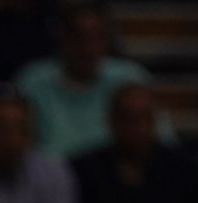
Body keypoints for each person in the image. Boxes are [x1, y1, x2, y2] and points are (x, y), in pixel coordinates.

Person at [13, 2, 168, 158]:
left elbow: (163, 140)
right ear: (62, 38)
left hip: (117, 171)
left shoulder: (130, 77)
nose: (88, 48)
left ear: (107, 41)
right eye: (79, 37)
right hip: (52, 172)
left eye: (96, 38)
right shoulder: (33, 81)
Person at [71, 83, 198, 203]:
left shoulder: (188, 170)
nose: (137, 127)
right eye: (127, 118)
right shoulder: (84, 171)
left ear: (155, 120)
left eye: (144, 117)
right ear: (111, 120)